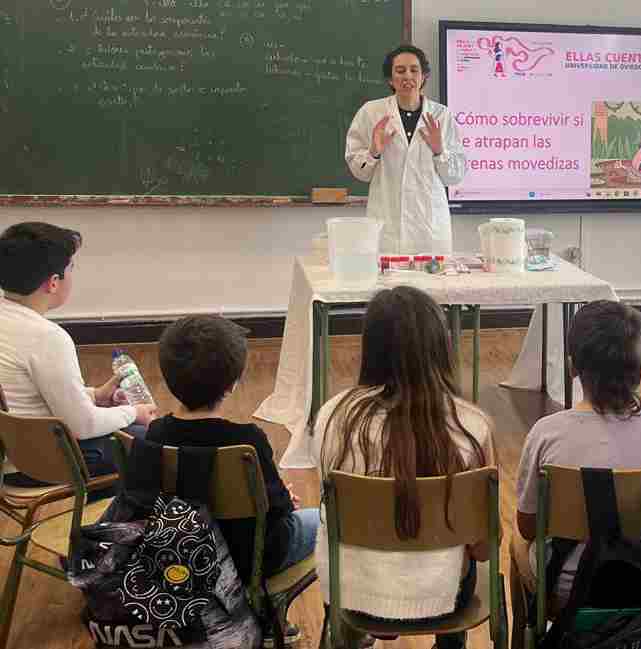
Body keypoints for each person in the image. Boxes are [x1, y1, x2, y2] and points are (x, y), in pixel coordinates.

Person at [314, 287, 493, 649]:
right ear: (440, 347)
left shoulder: (332, 415)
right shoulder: (471, 425)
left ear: (370, 347)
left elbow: (329, 509)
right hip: (444, 597)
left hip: (352, 591)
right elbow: (483, 548)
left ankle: (347, 640)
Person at [148, 315, 315, 648]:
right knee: (321, 520)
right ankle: (269, 614)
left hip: (184, 554)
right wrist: (281, 497)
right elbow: (278, 510)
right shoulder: (247, 441)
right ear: (232, 384)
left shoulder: (156, 434)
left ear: (168, 378)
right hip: (249, 556)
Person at [513, 300, 641, 609]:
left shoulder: (546, 434)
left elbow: (529, 526)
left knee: (516, 543)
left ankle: (532, 629)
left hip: (570, 588)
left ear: (572, 366)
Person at [0, 222, 156, 487]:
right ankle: (110, 515)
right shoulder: (48, 338)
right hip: (39, 465)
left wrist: (96, 395)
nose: (73, 274)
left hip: (12, 456)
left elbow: (29, 396)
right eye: (71, 268)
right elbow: (83, 425)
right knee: (148, 442)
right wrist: (134, 411)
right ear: (53, 283)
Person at [345, 45, 466, 255]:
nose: (407, 76)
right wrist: (373, 152)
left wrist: (439, 151)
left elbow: (454, 177)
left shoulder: (442, 116)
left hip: (430, 228)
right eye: (400, 71)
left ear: (424, 76)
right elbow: (360, 172)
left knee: (432, 276)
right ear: (390, 79)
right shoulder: (371, 113)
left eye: (414, 70)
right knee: (387, 275)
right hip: (387, 227)